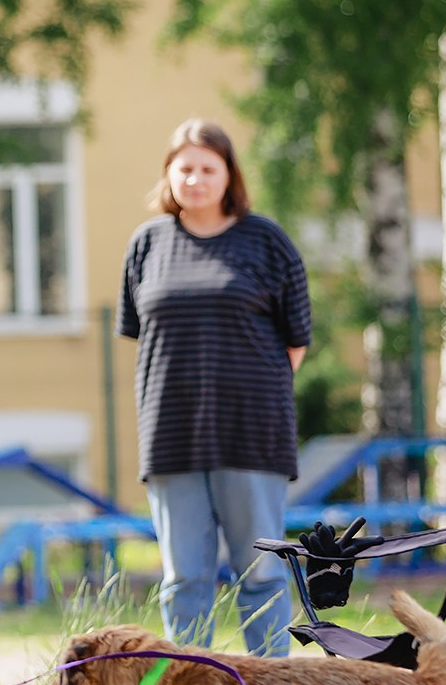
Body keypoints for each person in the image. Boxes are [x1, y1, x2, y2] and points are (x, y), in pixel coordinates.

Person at [118, 119, 311, 657]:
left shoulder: (266, 241)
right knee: (184, 580)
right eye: (185, 169)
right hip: (171, 436)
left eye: (208, 168)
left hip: (252, 436)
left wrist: (248, 395)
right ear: (168, 175)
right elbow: (142, 334)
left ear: (229, 176)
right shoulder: (146, 244)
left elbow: (296, 341)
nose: (196, 179)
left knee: (262, 575)